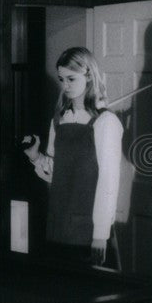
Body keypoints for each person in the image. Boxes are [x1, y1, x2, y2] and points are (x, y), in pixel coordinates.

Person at [23, 46, 124, 267]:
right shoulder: (59, 120)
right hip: (58, 225)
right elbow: (57, 174)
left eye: (71, 79)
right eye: (61, 79)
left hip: (89, 230)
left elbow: (109, 181)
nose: (65, 86)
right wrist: (35, 158)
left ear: (89, 75)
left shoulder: (106, 122)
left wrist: (100, 234)